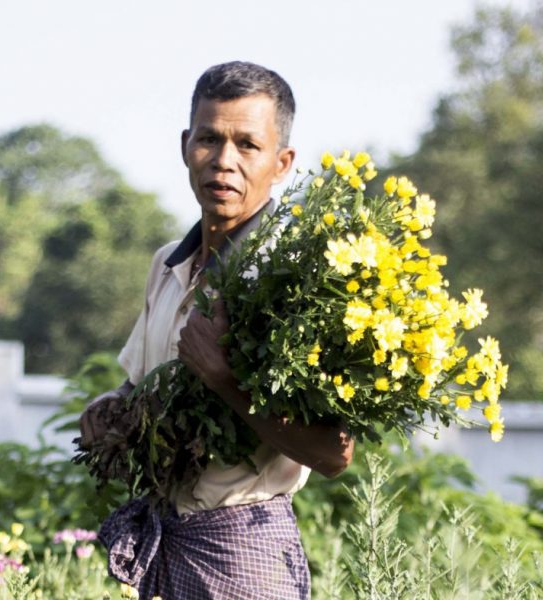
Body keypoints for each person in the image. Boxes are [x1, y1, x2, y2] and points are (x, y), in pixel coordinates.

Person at [76, 61, 355, 599]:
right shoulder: (166, 263)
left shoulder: (296, 282)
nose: (223, 161)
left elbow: (332, 455)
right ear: (186, 146)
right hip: (167, 539)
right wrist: (112, 408)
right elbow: (140, 384)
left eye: (247, 145)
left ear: (282, 163)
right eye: (209, 139)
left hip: (244, 551)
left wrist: (223, 379)